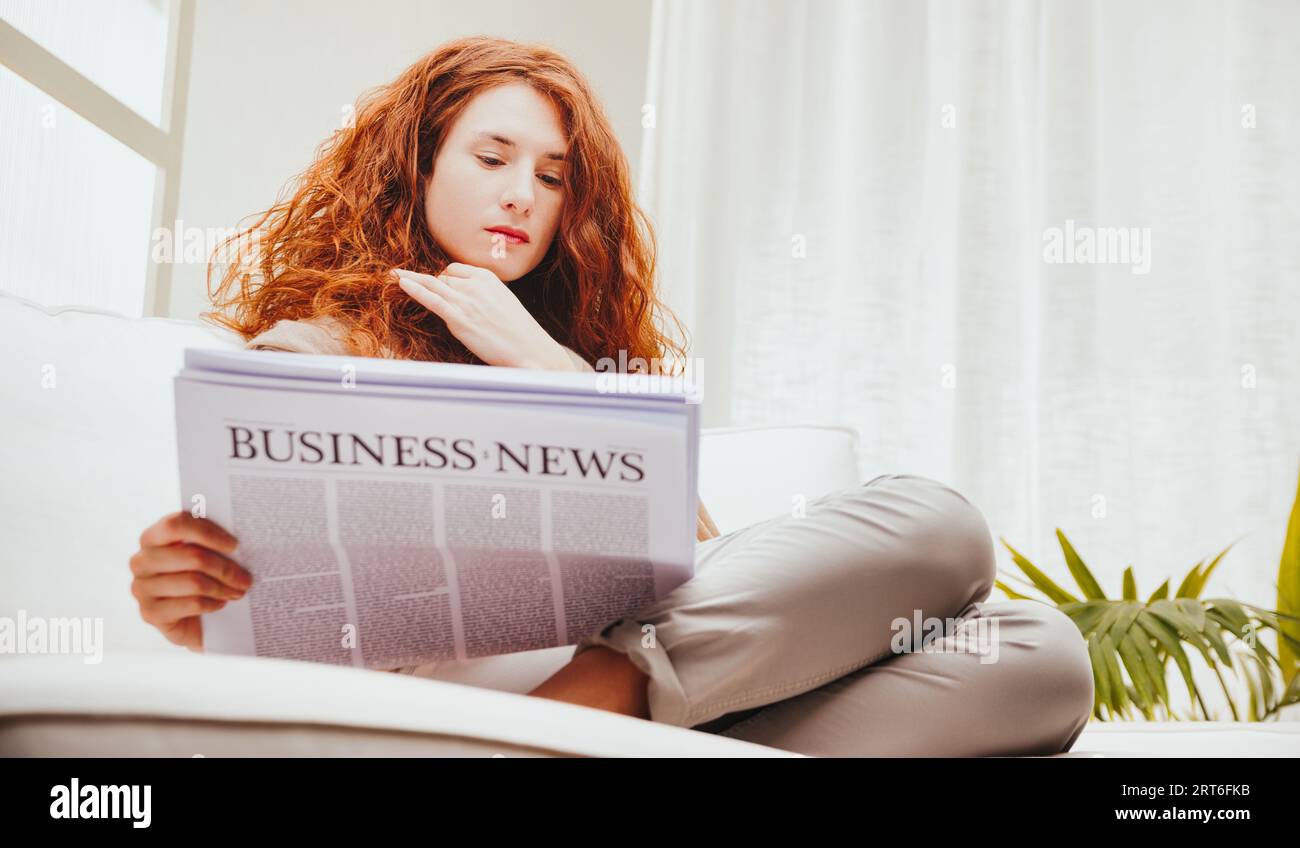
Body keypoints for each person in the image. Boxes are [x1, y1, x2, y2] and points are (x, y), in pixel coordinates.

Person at [127, 36, 1094, 756]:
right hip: (464, 696)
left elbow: (702, 562)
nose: (522, 195)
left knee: (1035, 647)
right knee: (941, 523)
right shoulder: (316, 347)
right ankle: (566, 725)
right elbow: (266, 599)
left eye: (552, 178)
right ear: (418, 167)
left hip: (663, 694)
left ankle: (586, 720)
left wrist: (551, 370)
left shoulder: (577, 357)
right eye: (491, 158)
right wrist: (193, 606)